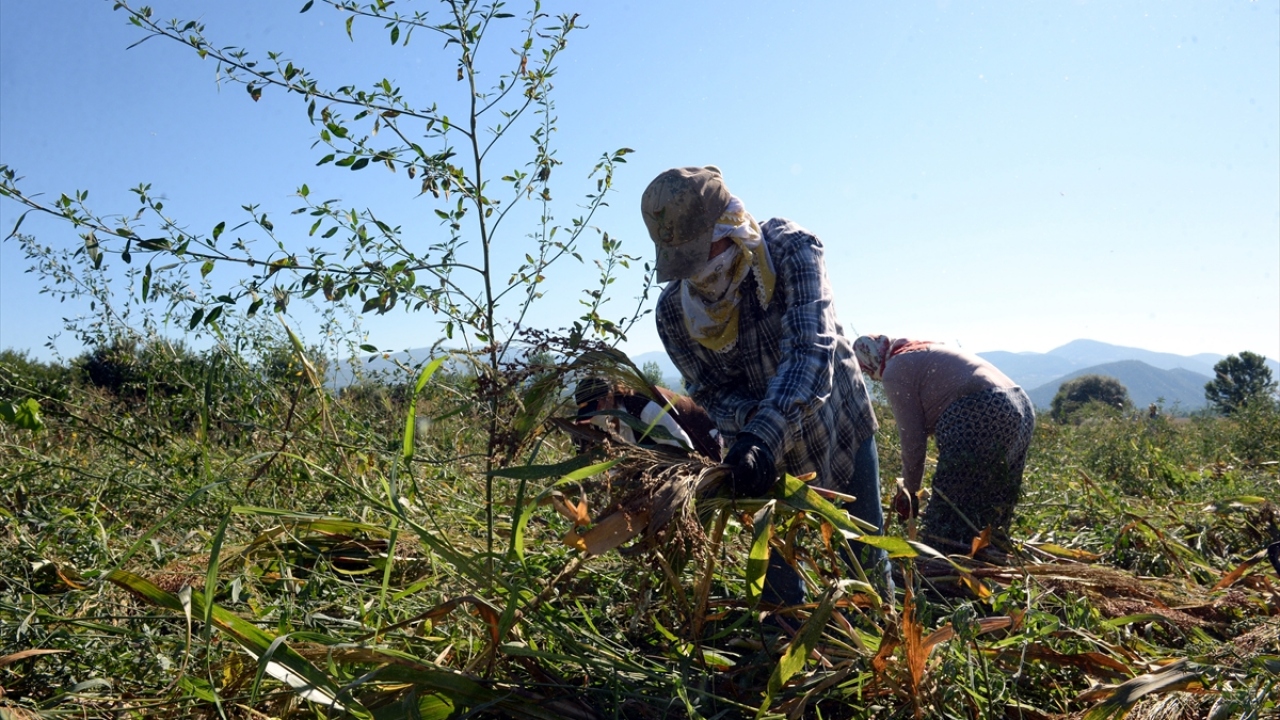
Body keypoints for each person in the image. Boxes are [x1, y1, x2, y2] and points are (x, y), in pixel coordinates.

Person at [641, 165, 887, 606]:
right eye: (681, 259)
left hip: (838, 426)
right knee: (777, 581)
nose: (695, 271)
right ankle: (786, 652)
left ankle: (879, 648)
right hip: (759, 461)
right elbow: (709, 389)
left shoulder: (791, 250)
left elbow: (811, 351)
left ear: (728, 224)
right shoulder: (674, 314)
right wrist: (749, 430)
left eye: (701, 250)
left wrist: (761, 435)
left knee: (864, 552)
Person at [852, 335, 1036, 552]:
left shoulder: (895, 369)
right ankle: (990, 562)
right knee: (996, 500)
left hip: (981, 407)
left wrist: (910, 492)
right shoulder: (920, 351)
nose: (871, 378)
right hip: (1019, 405)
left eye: (864, 370)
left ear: (868, 358)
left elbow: (912, 440)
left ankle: (944, 568)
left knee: (949, 509)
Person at [573, 376, 721, 460]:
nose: (594, 417)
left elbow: (681, 445)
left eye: (596, 407)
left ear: (608, 397)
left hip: (703, 433)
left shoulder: (643, 408)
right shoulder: (604, 421)